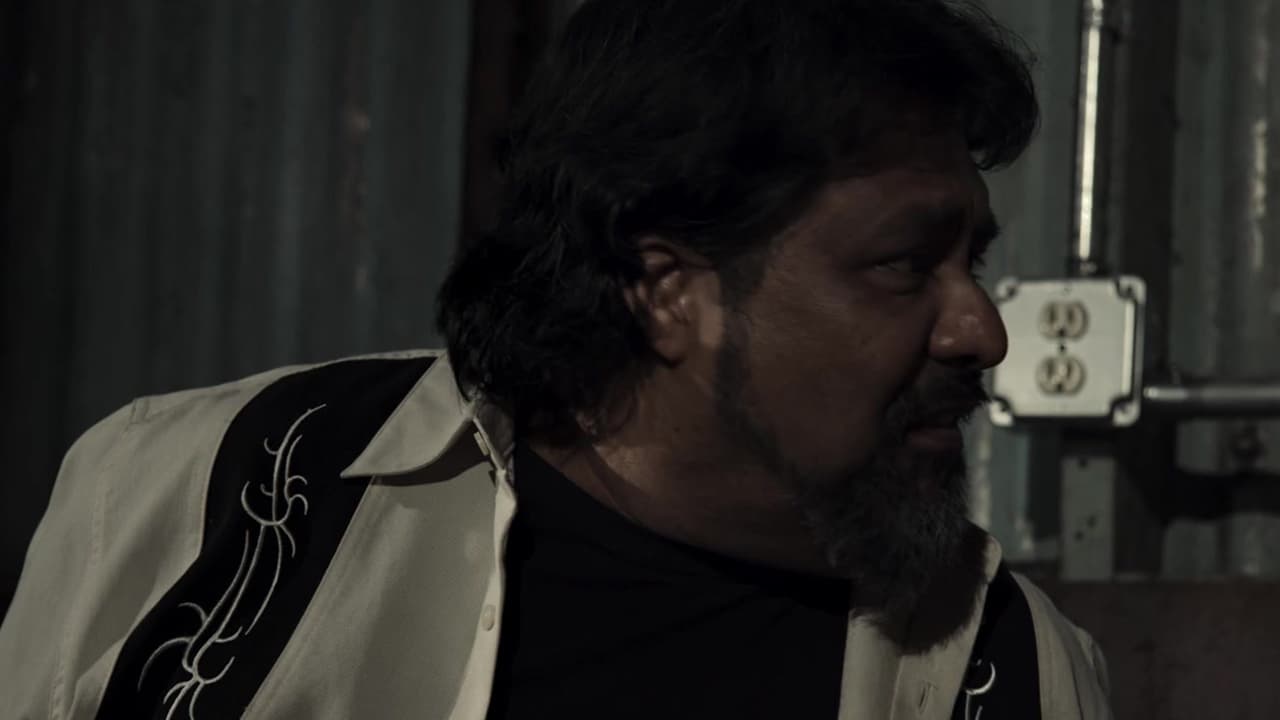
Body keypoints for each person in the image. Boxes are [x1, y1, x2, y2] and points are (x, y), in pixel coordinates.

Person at [0, 0, 1112, 718]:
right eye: (904, 265)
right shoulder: (206, 492)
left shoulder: (1009, 663)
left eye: (972, 261)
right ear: (666, 290)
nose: (981, 330)